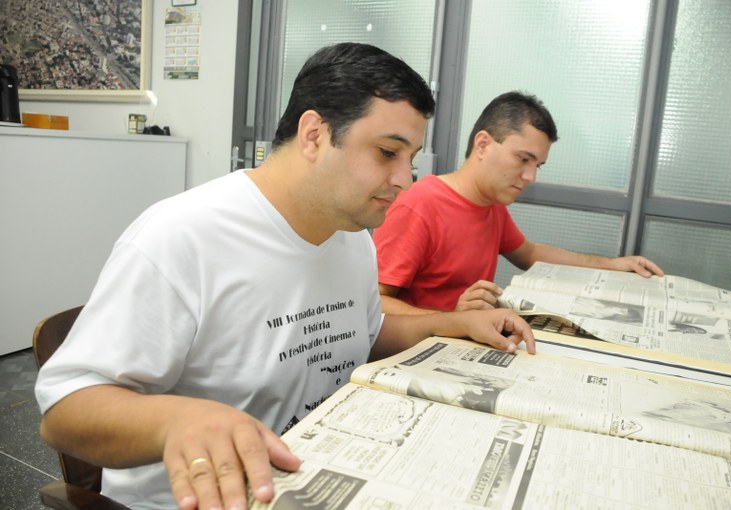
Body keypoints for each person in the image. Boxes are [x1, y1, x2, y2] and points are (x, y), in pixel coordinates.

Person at [34, 43, 536, 510]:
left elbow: (359, 330)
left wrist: (447, 324)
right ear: (314, 134)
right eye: (388, 152)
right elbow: (65, 411)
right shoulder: (183, 236)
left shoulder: (351, 233)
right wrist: (179, 420)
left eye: (411, 160)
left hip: (316, 472)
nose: (405, 180)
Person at [373, 91, 665, 315]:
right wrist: (452, 320)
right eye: (523, 159)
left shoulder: (491, 204)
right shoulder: (420, 204)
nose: (530, 176)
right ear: (483, 144)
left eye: (538, 165)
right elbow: (376, 303)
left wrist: (612, 265)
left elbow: (529, 253)